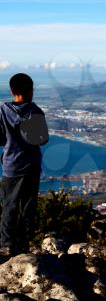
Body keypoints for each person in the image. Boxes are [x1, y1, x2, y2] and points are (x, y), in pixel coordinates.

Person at [0, 73, 49, 256]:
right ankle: (24, 243)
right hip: (31, 166)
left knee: (9, 206)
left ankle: (6, 244)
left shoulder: (3, 110)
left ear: (12, 91)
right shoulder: (35, 111)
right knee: (28, 206)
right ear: (31, 91)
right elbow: (42, 140)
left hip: (11, 166)